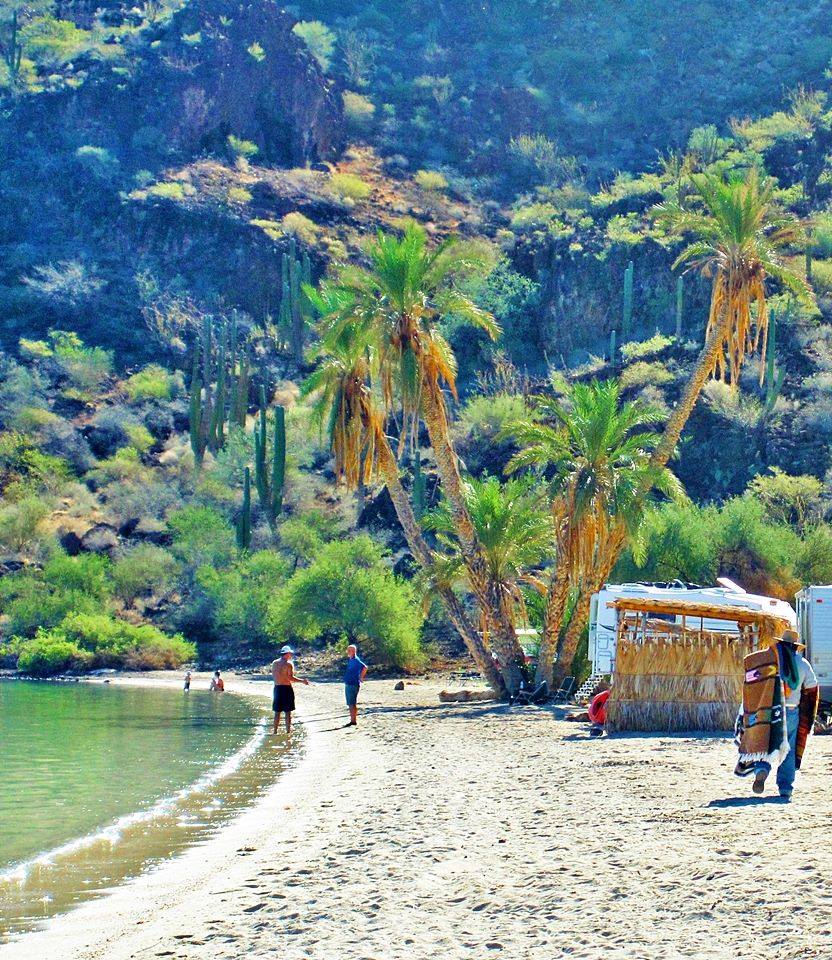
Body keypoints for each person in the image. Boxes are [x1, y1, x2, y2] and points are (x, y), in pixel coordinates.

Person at [737, 629, 819, 801]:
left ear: (780, 643)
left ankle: (761, 770)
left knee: (765, 741)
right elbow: (812, 688)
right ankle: (785, 788)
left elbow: (754, 680)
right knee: (788, 748)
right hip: (791, 711)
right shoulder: (803, 664)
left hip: (767, 709)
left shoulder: (768, 660)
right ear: (796, 647)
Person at [272, 645, 309, 735]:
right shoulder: (288, 664)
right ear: (287, 654)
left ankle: (275, 731)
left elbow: (276, 676)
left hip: (277, 688)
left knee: (277, 712)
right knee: (288, 712)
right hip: (286, 689)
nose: (291, 655)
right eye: (290, 653)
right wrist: (302, 681)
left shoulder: (275, 663)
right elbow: (290, 678)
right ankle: (288, 731)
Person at [343, 644, 368, 727]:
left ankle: (353, 721)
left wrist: (361, 677)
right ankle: (352, 720)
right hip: (349, 683)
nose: (347, 652)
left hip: (352, 684)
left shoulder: (356, 660)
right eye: (348, 650)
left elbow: (365, 667)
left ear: (353, 651)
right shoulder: (351, 659)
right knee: (350, 703)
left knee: (352, 703)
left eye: (349, 650)